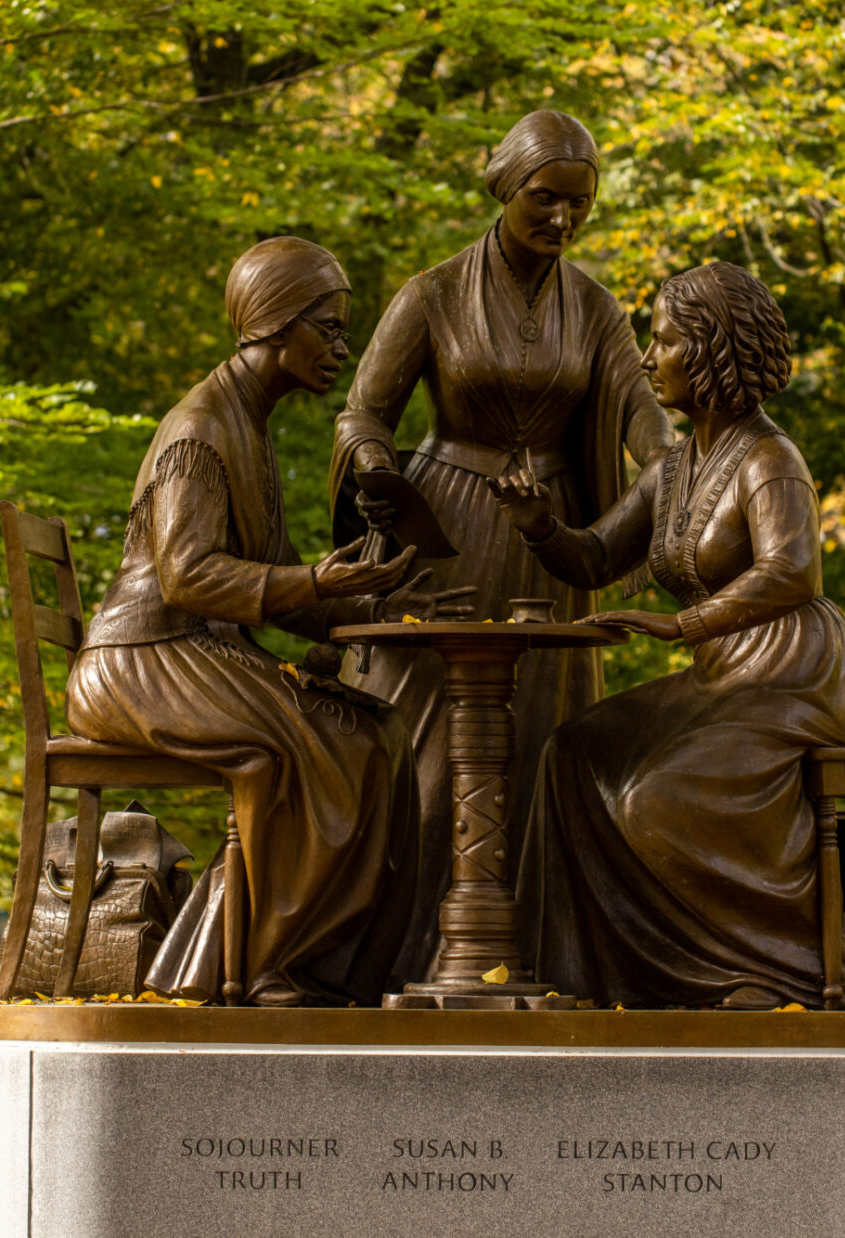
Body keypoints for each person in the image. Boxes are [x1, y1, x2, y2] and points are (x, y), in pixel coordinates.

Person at [66, 237, 468, 1008]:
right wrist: (316, 578)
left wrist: (385, 605)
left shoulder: (249, 425)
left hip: (195, 651)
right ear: (276, 326)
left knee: (378, 735)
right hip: (142, 659)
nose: (343, 349)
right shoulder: (201, 429)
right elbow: (188, 575)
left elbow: (281, 581)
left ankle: (326, 968)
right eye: (331, 328)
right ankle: (264, 965)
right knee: (315, 749)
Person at [328, 110, 675, 982]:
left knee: (539, 736)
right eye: (545, 199)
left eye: (580, 205)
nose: (562, 219)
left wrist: (677, 461)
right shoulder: (433, 293)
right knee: (420, 738)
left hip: (547, 544)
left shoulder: (596, 308)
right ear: (505, 189)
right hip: (441, 530)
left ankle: (524, 953)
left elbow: (641, 412)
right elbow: (364, 411)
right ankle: (390, 956)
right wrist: (373, 463)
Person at [489, 262, 845, 1009]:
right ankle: (593, 972)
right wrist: (539, 524)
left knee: (657, 799)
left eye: (665, 342)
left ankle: (783, 969)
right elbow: (600, 556)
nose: (648, 359)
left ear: (710, 355)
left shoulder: (771, 459)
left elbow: (795, 572)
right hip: (721, 673)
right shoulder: (674, 468)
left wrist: (680, 623)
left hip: (795, 672)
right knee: (572, 755)